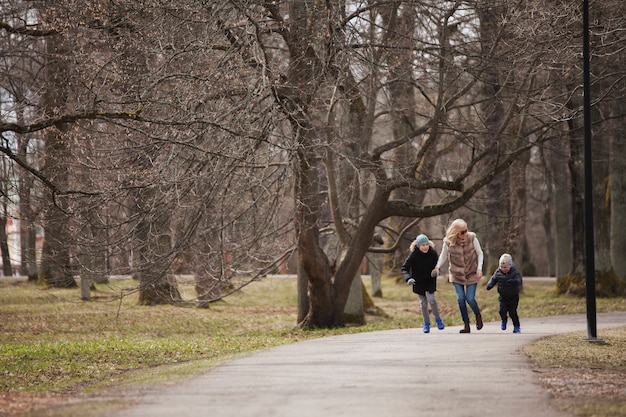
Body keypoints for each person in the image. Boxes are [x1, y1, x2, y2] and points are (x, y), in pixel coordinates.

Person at [434, 219, 484, 333]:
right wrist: (437, 267)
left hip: (472, 272)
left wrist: (479, 268)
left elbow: (480, 253)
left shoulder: (472, 238)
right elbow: (443, 256)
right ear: (456, 232)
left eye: (466, 230)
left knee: (470, 299)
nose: (465, 234)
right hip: (456, 274)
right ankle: (466, 325)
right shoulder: (448, 242)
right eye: (462, 232)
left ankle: (478, 315)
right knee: (461, 299)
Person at [402, 234, 445, 333]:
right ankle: (426, 323)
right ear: (418, 246)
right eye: (423, 245)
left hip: (430, 280)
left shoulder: (433, 253)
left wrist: (437, 271)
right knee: (423, 303)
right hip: (418, 282)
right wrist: (408, 279)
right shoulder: (413, 255)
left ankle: (438, 319)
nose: (425, 247)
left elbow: (438, 266)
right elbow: (404, 269)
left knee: (432, 300)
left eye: (427, 244)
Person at [486, 253, 522, 333]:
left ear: (510, 266)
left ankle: (516, 326)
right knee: (501, 310)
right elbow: (493, 279)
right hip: (503, 296)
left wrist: (515, 281)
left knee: (513, 312)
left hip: (513, 296)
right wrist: (490, 285)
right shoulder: (498, 272)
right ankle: (504, 320)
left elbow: (519, 280)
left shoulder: (515, 272)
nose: (503, 269)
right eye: (501, 267)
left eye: (505, 267)